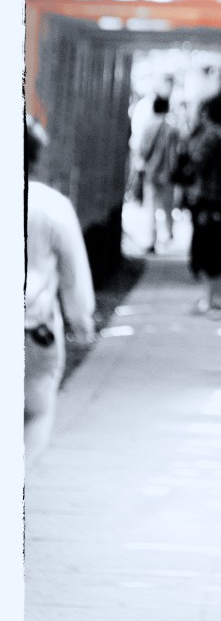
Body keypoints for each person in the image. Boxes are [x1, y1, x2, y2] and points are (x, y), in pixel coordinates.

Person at [24, 116, 96, 468]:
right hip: (33, 332)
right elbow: (74, 274)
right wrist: (81, 320)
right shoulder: (51, 205)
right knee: (35, 414)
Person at [187, 90, 221, 316]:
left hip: (206, 199)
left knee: (208, 249)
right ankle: (217, 299)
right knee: (216, 248)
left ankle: (213, 300)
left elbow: (195, 162)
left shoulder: (211, 135)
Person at [135, 94, 180, 253]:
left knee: (152, 208)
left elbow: (142, 150)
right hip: (168, 174)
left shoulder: (148, 127)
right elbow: (175, 154)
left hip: (152, 173)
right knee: (168, 206)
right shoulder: (172, 129)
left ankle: (152, 240)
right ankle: (168, 235)